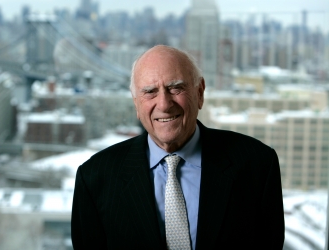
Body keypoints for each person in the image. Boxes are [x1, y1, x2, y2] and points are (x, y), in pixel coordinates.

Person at [71, 45, 285, 249]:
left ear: (200, 92)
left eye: (176, 88)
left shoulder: (257, 165)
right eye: (150, 91)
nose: (164, 104)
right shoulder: (94, 178)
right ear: (136, 103)